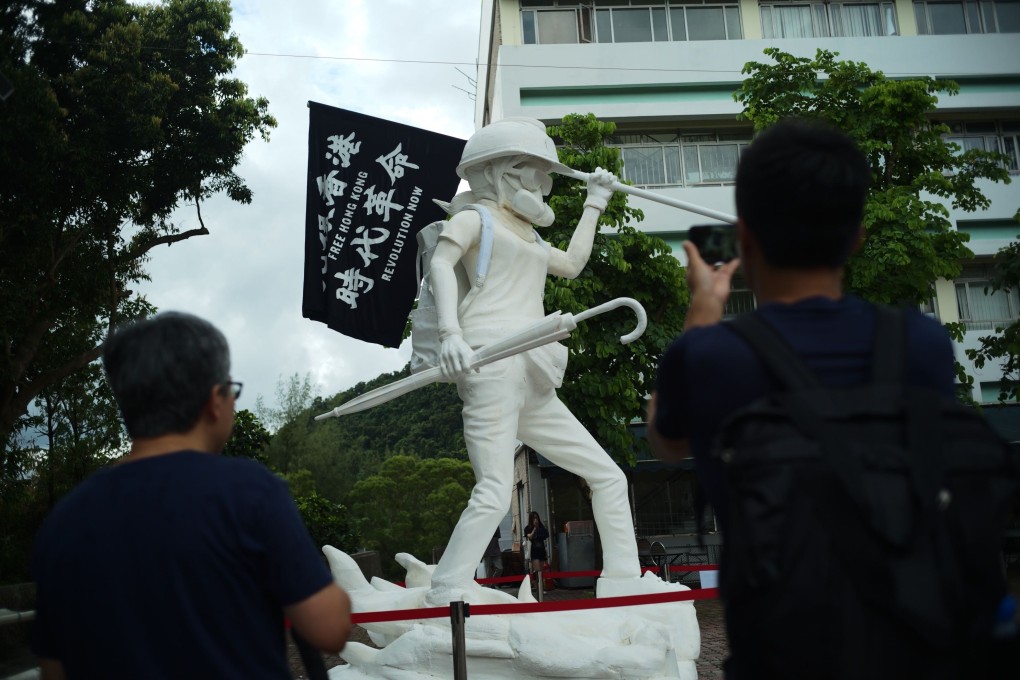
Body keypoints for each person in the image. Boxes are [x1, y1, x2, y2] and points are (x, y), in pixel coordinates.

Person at [647, 119, 957, 675]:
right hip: (910, 648)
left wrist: (704, 311)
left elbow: (668, 441)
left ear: (745, 238)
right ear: (858, 236)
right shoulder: (924, 344)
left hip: (778, 653)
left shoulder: (709, 355)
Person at [31, 312, 352, 680]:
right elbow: (330, 629)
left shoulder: (65, 520)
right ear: (215, 401)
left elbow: (54, 670)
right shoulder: (248, 492)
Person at [426, 117, 661, 603]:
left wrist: (596, 200)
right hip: (490, 358)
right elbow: (441, 265)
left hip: (534, 365)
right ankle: (448, 587)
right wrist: (450, 333)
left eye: (545, 175)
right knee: (493, 488)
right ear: (498, 173)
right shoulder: (475, 219)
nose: (544, 184)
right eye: (534, 172)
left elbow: (572, 265)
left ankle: (623, 586)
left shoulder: (530, 236)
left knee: (608, 475)